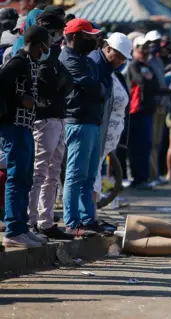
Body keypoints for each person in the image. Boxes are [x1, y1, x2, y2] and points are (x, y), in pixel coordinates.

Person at [0, 26, 52, 248]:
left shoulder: (30, 62)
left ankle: (21, 228)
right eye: (45, 46)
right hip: (13, 126)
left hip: (25, 127)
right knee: (17, 178)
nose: (46, 50)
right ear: (38, 43)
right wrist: (20, 99)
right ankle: (12, 230)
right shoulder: (18, 61)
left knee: (25, 178)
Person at [27, 11, 74, 240]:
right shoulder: (39, 56)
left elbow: (66, 81)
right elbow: (48, 84)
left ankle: (45, 221)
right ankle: (31, 221)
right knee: (39, 171)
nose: (60, 36)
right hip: (45, 119)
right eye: (59, 32)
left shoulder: (54, 55)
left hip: (57, 117)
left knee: (52, 172)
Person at [59, 18, 105, 237]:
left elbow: (98, 86)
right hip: (77, 121)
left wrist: (98, 88)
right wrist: (98, 88)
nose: (94, 40)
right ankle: (72, 222)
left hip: (92, 122)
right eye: (89, 36)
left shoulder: (86, 60)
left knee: (88, 176)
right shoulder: (67, 58)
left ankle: (87, 218)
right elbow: (91, 86)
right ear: (76, 37)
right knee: (75, 175)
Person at [91, 33, 132, 205]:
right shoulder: (97, 66)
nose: (121, 62)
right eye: (118, 57)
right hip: (99, 131)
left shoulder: (114, 72)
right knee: (91, 173)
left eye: (124, 59)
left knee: (96, 171)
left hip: (110, 137)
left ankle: (92, 213)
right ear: (107, 49)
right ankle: (89, 215)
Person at [127, 36, 162, 189]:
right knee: (137, 146)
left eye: (146, 48)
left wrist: (148, 80)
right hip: (136, 111)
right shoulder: (133, 65)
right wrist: (148, 80)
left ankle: (144, 177)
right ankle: (137, 178)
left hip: (147, 110)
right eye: (141, 48)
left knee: (146, 145)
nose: (144, 51)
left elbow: (154, 84)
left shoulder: (147, 66)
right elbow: (141, 81)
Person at [145, 30, 170, 185]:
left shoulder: (159, 61)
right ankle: (151, 174)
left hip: (162, 105)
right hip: (153, 105)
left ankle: (156, 173)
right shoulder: (145, 62)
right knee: (151, 142)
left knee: (158, 142)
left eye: (157, 42)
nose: (155, 46)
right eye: (152, 43)